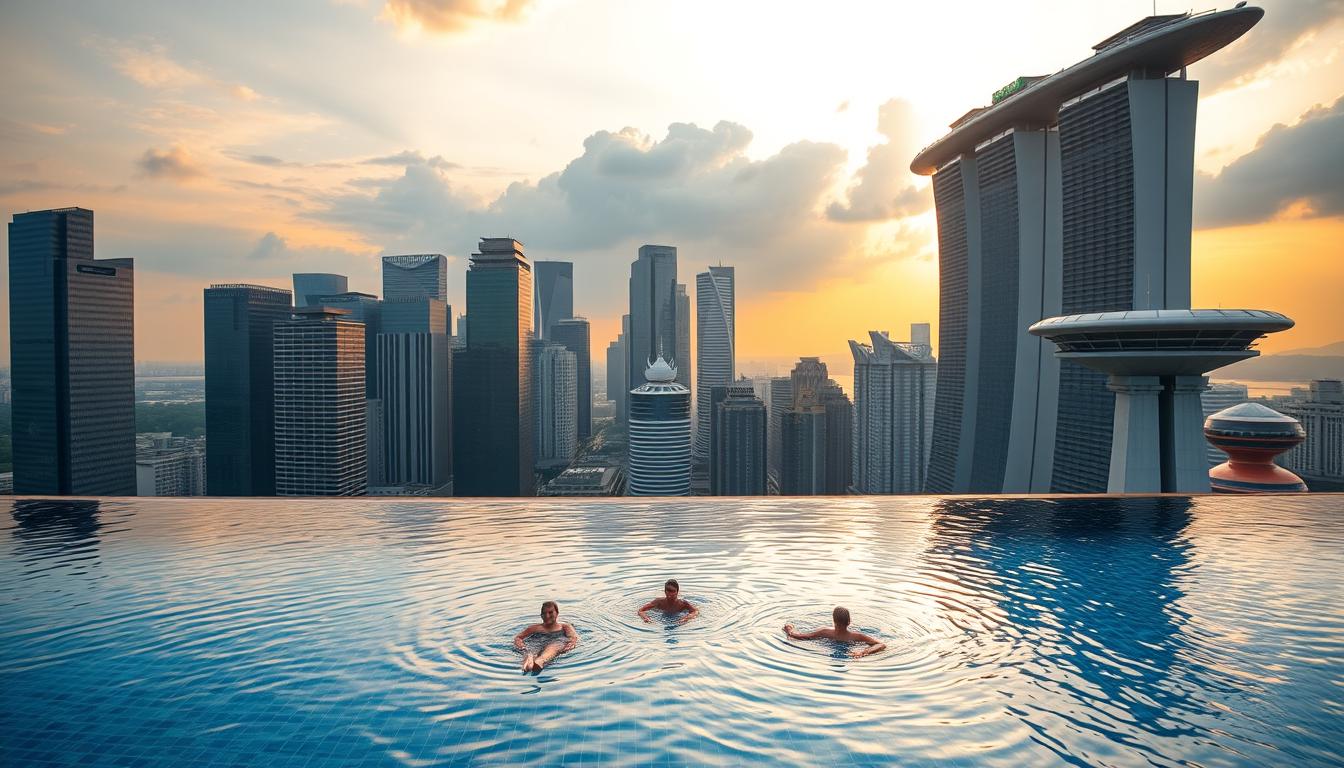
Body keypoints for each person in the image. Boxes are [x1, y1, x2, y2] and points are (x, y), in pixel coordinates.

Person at [783, 606, 886, 658]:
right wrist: (864, 652)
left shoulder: (825, 632)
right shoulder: (857, 636)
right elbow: (881, 644)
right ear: (849, 622)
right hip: (852, 646)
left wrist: (789, 629)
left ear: (834, 622)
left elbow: (801, 636)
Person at [513, 600, 578, 672]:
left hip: (556, 642)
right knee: (530, 651)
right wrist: (522, 647)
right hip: (537, 643)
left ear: (557, 613)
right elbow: (518, 638)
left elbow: (573, 638)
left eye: (550, 612)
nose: (547, 616)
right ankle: (529, 661)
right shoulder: (534, 628)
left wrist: (570, 645)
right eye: (544, 613)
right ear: (541, 615)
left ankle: (539, 661)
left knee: (555, 646)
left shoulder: (565, 627)